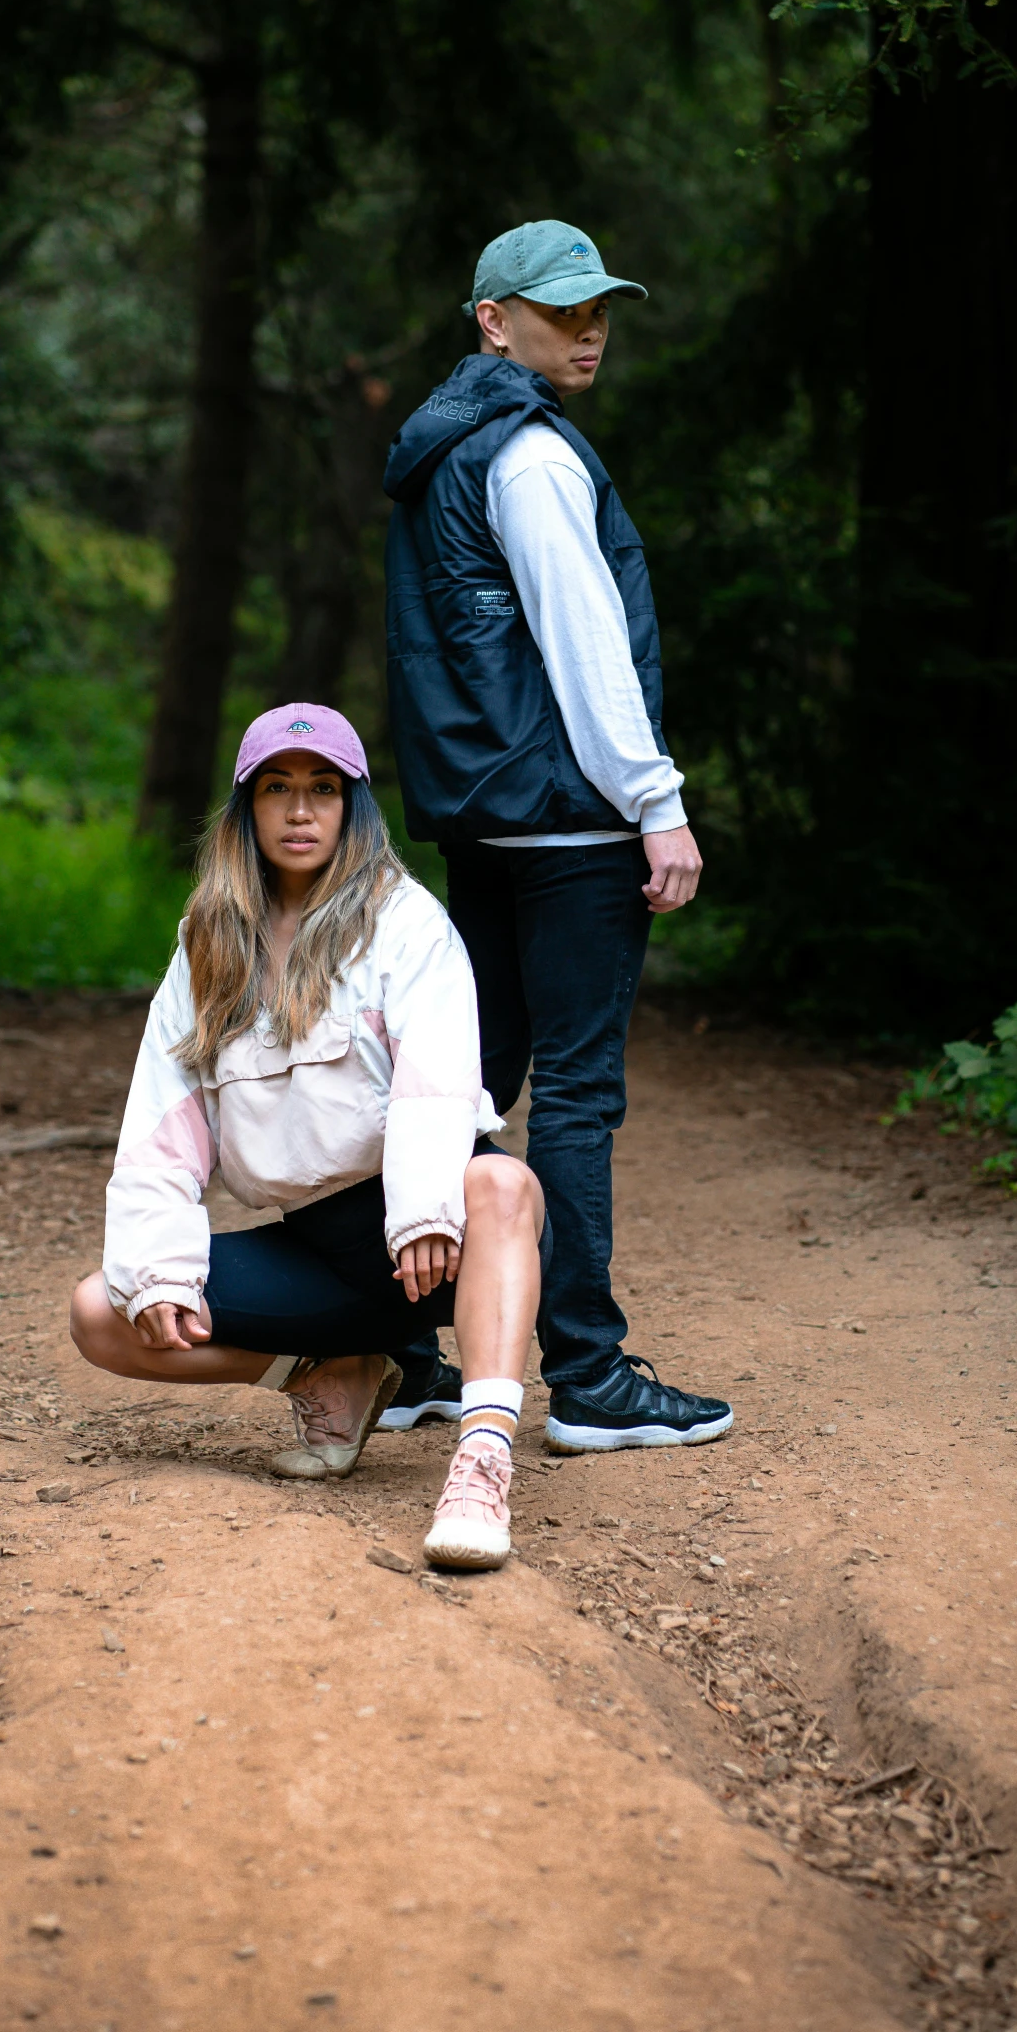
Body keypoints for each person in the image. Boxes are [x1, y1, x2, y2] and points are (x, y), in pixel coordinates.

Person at [383, 219, 733, 1453]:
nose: (587, 332)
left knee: (463, 1095)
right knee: (573, 1101)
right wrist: (657, 798)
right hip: (573, 830)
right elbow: (585, 647)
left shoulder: (442, 452)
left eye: (598, 310)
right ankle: (586, 1374)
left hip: (485, 823)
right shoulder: (530, 456)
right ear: (494, 321)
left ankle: (406, 1352)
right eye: (559, 311)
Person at [69, 703, 547, 1569]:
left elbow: (434, 1084)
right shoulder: (208, 942)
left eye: (322, 790)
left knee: (505, 1186)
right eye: (277, 790)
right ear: (245, 809)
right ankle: (330, 1373)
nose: (299, 811)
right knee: (104, 1311)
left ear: (351, 806)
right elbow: (160, 1123)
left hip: (432, 1237)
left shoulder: (404, 923)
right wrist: (161, 1269)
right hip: (317, 1249)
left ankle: (481, 1462)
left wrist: (423, 1211)